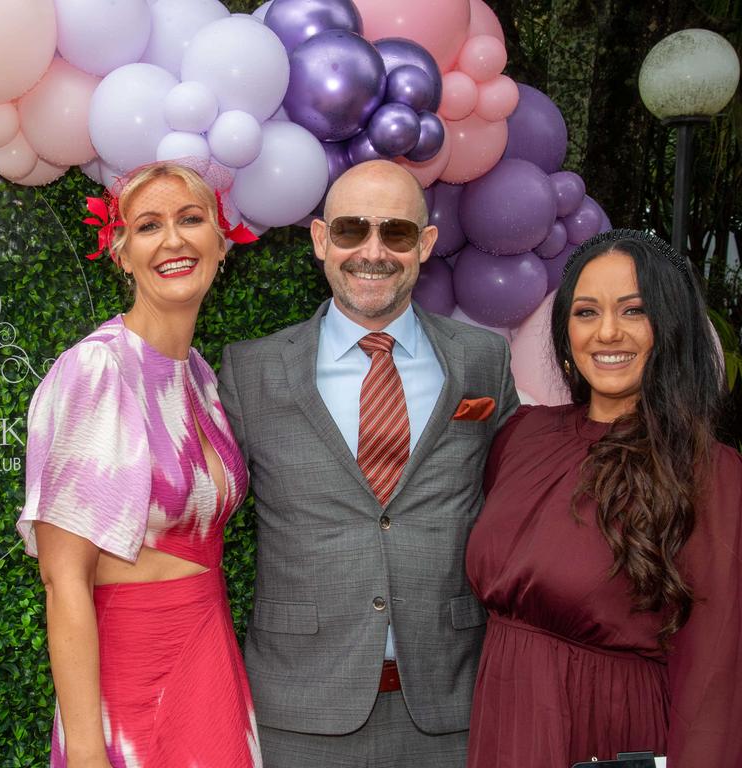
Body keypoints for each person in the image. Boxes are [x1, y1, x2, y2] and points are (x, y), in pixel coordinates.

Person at [217, 159, 520, 767]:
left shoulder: (483, 360)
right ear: (321, 240)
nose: (374, 251)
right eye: (353, 230)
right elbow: (200, 515)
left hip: (452, 706)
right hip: (301, 712)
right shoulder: (250, 372)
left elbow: (521, 504)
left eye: (398, 233)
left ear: (426, 245)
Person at [465, 229, 742, 767]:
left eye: (633, 311)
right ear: (565, 330)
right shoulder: (521, 436)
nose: (607, 333)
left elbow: (714, 680)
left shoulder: (710, 474)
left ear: (670, 327)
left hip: (607, 736)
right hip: (505, 723)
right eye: (586, 313)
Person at [18, 162, 262, 768]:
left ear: (220, 242)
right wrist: (86, 753)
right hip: (130, 672)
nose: (174, 240)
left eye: (191, 219)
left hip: (210, 656)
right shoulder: (96, 370)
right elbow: (62, 578)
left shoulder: (202, 377)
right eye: (149, 225)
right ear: (122, 254)